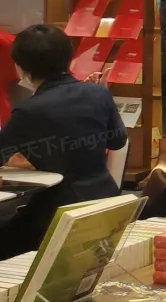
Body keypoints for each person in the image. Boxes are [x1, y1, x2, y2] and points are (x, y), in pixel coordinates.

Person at [0, 24, 128, 257]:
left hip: (59, 213)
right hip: (107, 203)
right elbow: (117, 141)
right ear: (69, 57)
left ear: (22, 67)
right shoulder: (98, 93)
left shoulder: (29, 111)